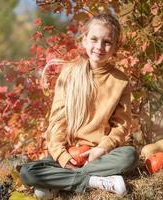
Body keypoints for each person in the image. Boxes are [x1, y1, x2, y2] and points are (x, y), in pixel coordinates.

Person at [20, 13, 139, 199]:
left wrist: (102, 148)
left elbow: (121, 126)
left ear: (115, 47)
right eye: (94, 39)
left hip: (99, 156)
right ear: (84, 40)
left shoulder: (120, 81)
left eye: (107, 42)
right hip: (69, 153)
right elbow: (57, 121)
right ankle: (92, 181)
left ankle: (59, 183)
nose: (99, 47)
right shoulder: (69, 72)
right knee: (28, 172)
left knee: (130, 155)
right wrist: (63, 157)